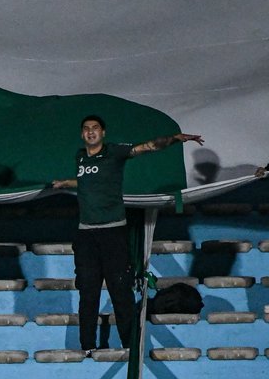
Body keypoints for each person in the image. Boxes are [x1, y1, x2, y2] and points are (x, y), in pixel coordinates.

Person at [52, 116, 204, 356]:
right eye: (86, 129)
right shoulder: (81, 157)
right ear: (82, 134)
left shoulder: (114, 152)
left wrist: (174, 139)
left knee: (120, 292)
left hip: (112, 232)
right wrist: (66, 183)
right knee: (87, 293)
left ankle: (129, 346)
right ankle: (87, 347)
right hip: (86, 235)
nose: (91, 132)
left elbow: (147, 147)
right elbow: (87, 180)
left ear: (103, 132)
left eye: (95, 128)